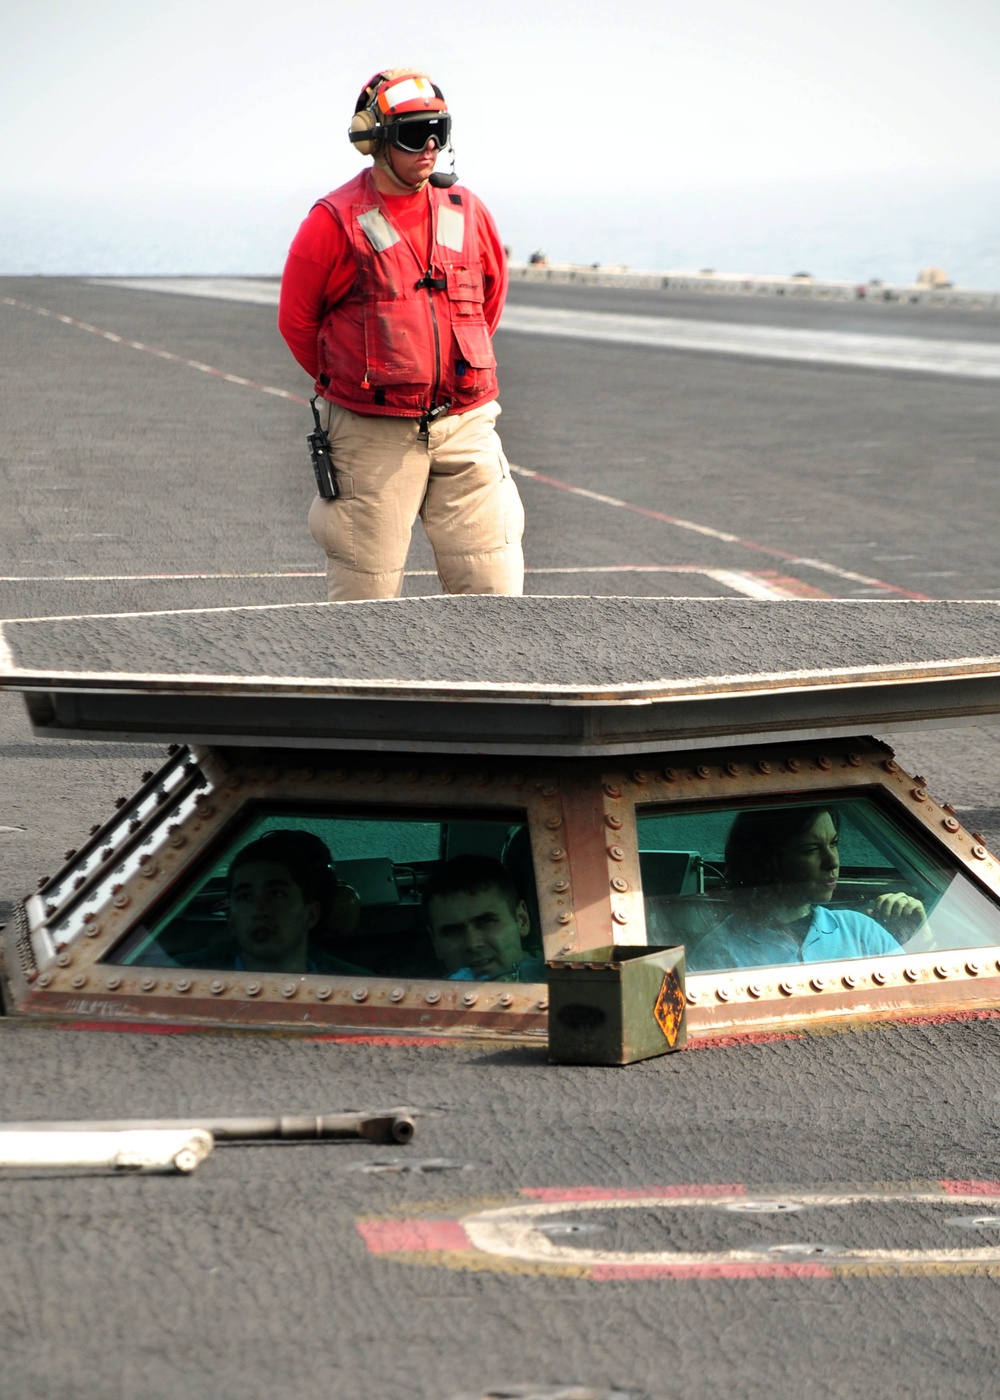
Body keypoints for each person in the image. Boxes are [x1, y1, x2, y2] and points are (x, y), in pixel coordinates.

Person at [278, 68, 524, 603]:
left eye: (440, 129)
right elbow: (297, 322)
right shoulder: (333, 220)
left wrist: (445, 373)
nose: (431, 145)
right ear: (375, 140)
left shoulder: (468, 211)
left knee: (494, 593)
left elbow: (487, 305)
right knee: (364, 605)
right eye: (415, 133)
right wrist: (356, 386)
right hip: (372, 434)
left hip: (465, 424)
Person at [689, 806, 927, 973]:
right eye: (811, 849)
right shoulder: (719, 952)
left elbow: (919, 997)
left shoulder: (860, 931)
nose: (832, 862)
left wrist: (921, 933)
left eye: (833, 844)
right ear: (767, 862)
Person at [224, 830, 362, 975]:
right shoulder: (200, 978)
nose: (259, 910)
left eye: (276, 894)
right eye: (245, 897)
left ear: (311, 914)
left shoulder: (357, 987)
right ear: (231, 919)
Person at [423, 855, 544, 982]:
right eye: (453, 931)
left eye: (486, 922)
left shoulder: (560, 980)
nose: (473, 944)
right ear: (435, 942)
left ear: (522, 920)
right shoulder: (425, 998)